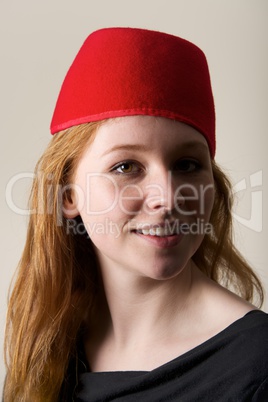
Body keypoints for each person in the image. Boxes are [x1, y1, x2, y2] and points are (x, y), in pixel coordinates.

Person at [3, 27, 268, 402]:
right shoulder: (50, 348)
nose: (168, 196)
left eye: (188, 164)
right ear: (67, 194)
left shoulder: (257, 369)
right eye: (126, 167)